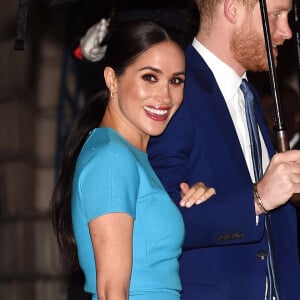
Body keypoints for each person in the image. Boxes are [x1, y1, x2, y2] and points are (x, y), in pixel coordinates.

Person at [50, 19, 216, 300]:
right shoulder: (113, 157)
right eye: (150, 77)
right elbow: (112, 292)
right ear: (112, 79)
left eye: (176, 80)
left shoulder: (126, 155)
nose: (165, 96)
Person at [148, 0, 300, 299]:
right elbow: (155, 219)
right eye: (275, 15)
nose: (286, 31)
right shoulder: (175, 91)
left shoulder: (248, 94)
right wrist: (258, 198)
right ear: (232, 9)